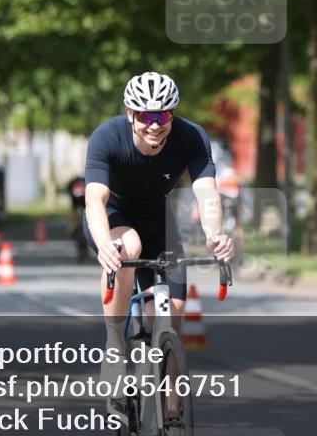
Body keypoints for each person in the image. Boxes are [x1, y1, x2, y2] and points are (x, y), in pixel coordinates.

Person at [83, 71, 234, 414]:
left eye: (163, 115)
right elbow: (95, 199)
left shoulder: (191, 137)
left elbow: (207, 191)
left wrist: (214, 234)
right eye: (147, 116)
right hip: (114, 216)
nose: (155, 125)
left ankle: (171, 416)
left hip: (158, 220)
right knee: (129, 248)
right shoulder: (107, 137)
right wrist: (106, 244)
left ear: (173, 115)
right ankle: (115, 343)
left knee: (172, 316)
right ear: (130, 114)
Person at [67, 172, 86, 259]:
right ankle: (73, 230)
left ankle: (73, 230)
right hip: (82, 205)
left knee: (75, 223)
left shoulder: (73, 183)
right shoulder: (86, 181)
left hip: (77, 205)